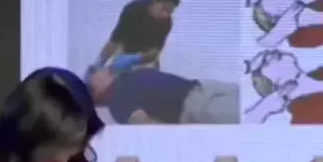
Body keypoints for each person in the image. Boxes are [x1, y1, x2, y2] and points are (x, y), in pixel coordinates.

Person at [88, 67, 239, 124]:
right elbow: (149, 127)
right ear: (95, 91)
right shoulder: (117, 104)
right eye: (94, 73)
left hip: (204, 88)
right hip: (196, 108)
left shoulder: (125, 77)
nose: (99, 70)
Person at [89, 0, 180, 74]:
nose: (166, 15)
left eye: (170, 12)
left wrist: (135, 59)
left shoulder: (166, 23)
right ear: (155, 0)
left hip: (146, 59)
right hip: (125, 52)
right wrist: (98, 64)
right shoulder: (133, 10)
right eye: (164, 9)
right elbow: (114, 42)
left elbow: (154, 53)